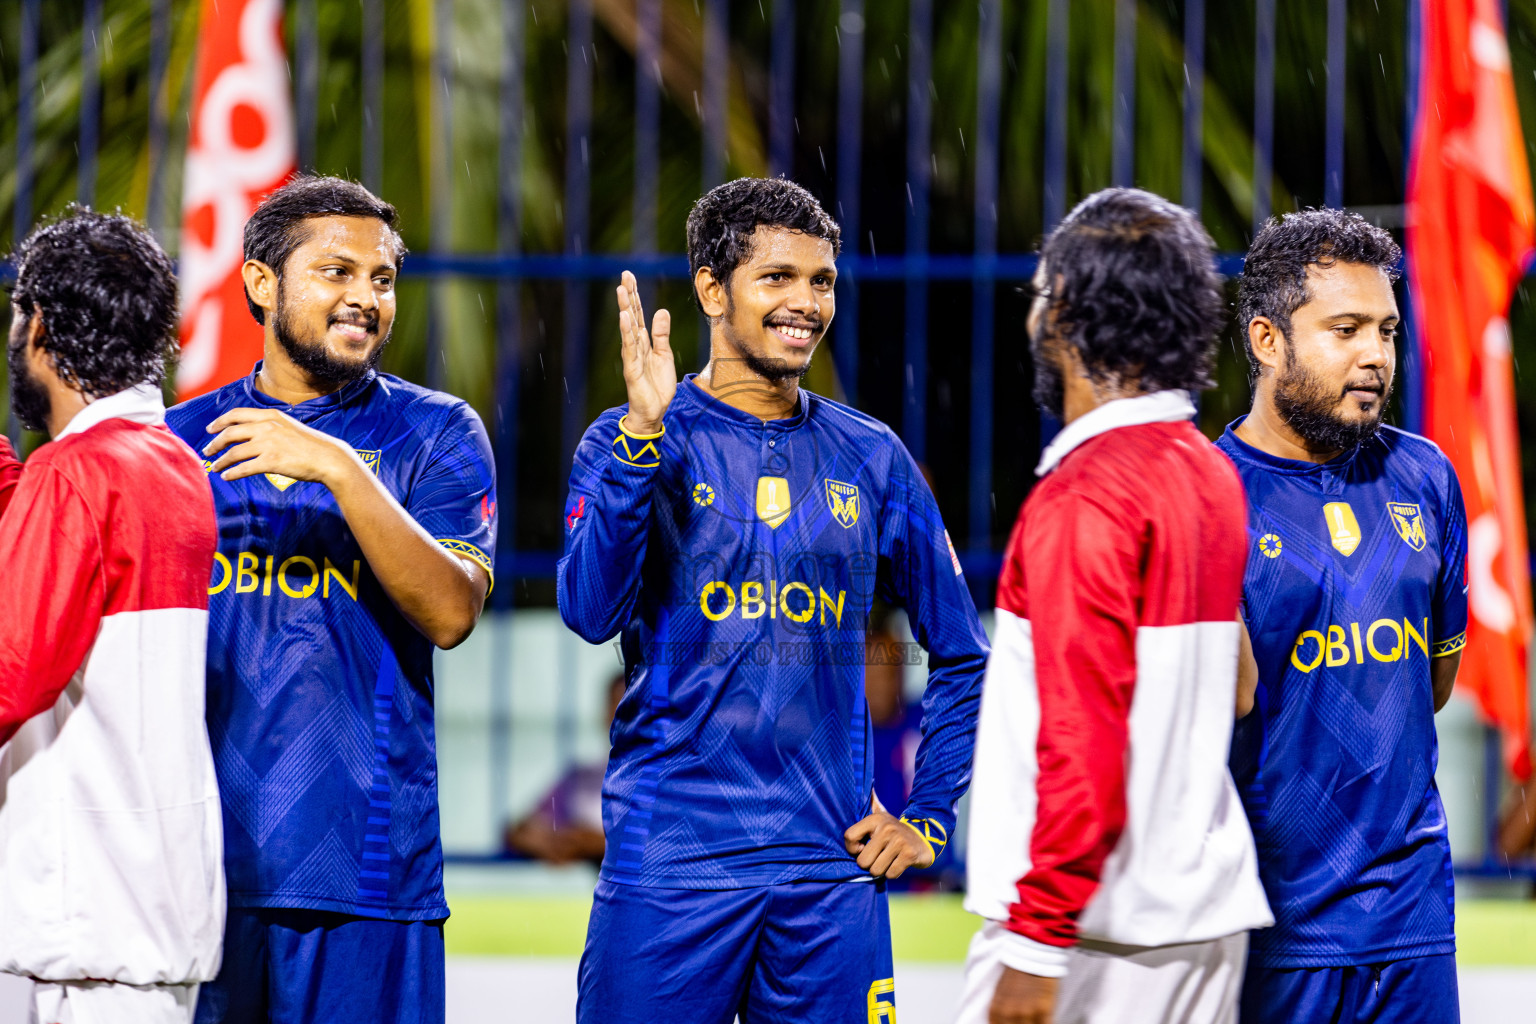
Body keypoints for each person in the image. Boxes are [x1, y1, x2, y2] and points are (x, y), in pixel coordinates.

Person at [559, 176, 988, 1023]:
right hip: (671, 862)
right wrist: (643, 443)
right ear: (712, 290)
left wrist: (930, 816)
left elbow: (962, 652)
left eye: (821, 281)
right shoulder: (631, 435)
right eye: (778, 278)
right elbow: (590, 610)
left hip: (829, 874)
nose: (806, 303)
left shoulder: (872, 456)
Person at [165, 175, 497, 1024]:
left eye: (381, 279)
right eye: (336, 273)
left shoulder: (438, 433)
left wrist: (338, 468)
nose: (364, 298)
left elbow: (452, 613)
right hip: (199, 865)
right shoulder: (175, 442)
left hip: (369, 872)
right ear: (261, 284)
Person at [958, 187, 1273, 1024]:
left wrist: (1035, 943)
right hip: (1200, 924)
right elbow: (1241, 689)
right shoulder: (1208, 472)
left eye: (1039, 294)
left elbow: (1082, 742)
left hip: (1089, 935)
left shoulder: (1082, 500)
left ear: (1064, 308)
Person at [1220, 209, 1467, 1024]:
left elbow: (1429, 682)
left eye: (1388, 330)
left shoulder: (1426, 477)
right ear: (1266, 340)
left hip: (1413, 920)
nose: (1375, 355)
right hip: (1268, 924)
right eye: (1346, 329)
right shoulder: (1208, 498)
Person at [0, 210, 223, 1023]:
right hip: (140, 911)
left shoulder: (76, 474)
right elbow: (40, 541)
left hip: (91, 925)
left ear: (42, 328)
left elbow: (9, 675)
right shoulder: (167, 462)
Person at [503, 674, 625, 866]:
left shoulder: (673, 777)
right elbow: (518, 831)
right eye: (615, 706)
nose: (621, 717)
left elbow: (664, 842)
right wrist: (553, 844)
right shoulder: (583, 779)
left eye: (629, 707)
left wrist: (594, 843)